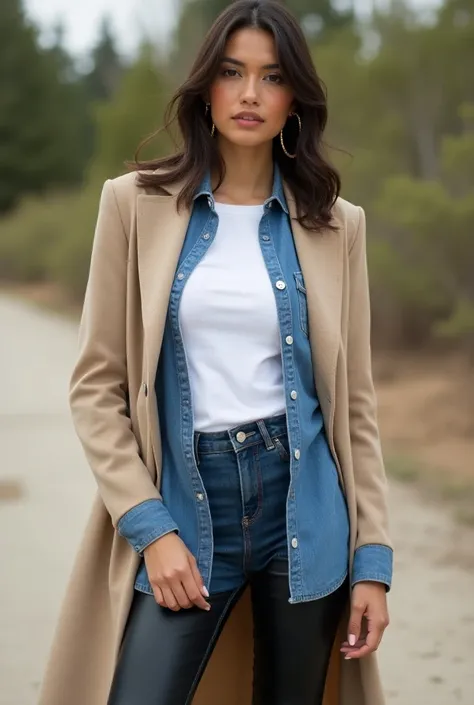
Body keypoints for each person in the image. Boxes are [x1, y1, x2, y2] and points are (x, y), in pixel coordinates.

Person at [38, 2, 393, 705]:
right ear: (207, 87)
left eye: (272, 76)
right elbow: (95, 386)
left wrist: (373, 562)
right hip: (185, 498)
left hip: (304, 508)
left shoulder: (336, 224)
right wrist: (150, 527)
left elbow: (354, 403)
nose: (251, 94)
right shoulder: (133, 205)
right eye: (233, 72)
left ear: (296, 99)